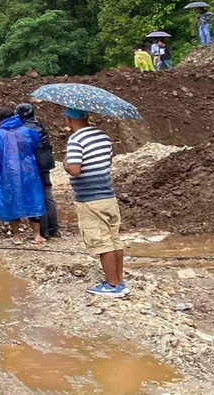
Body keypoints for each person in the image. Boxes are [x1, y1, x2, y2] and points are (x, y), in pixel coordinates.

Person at [63, 108, 128, 297]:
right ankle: (119, 280)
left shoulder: (76, 140)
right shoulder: (103, 136)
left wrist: (66, 163)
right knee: (114, 239)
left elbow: (75, 170)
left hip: (90, 199)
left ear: (68, 119)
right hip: (108, 195)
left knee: (101, 242)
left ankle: (112, 285)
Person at [0, 107, 45, 245]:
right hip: (29, 171)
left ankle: (17, 236)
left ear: (0, 120)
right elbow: (35, 145)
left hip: (7, 174)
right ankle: (37, 236)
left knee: (10, 201)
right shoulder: (28, 132)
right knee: (33, 199)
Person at [16, 103, 59, 238]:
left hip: (33, 168)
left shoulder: (24, 130)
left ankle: (43, 231)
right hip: (45, 165)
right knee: (47, 195)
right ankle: (54, 229)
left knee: (37, 197)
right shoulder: (40, 126)